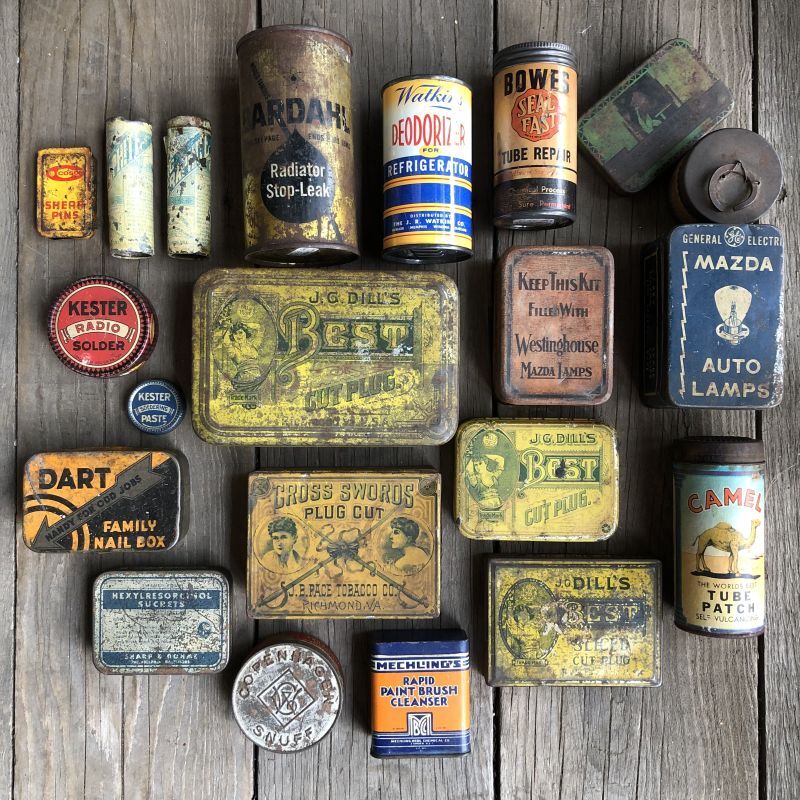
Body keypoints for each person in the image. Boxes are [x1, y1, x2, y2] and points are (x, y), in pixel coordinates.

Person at [464, 430, 506, 509]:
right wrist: (473, 457)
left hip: (498, 503)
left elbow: (501, 460)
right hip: (484, 506)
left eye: (480, 464)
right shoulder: (475, 479)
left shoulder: (493, 475)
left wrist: (484, 455)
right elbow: (468, 470)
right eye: (475, 465)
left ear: (486, 463)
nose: (477, 467)